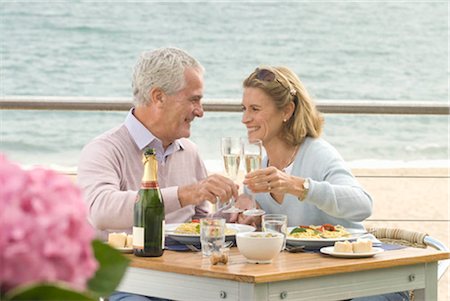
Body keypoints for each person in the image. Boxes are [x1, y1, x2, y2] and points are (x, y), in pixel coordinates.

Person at [232, 66, 409, 301]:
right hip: (315, 283)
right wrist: (248, 218)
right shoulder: (258, 168)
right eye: (244, 109)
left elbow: (363, 205)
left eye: (255, 109)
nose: (245, 118)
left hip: (366, 279)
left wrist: (299, 186)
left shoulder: (316, 152)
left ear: (287, 110)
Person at [77, 47, 238, 301]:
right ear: (158, 97)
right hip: (131, 283)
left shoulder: (189, 151)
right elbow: (100, 211)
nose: (200, 111)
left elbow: (198, 223)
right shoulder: (104, 149)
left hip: (186, 280)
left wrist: (231, 218)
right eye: (194, 99)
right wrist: (186, 193)